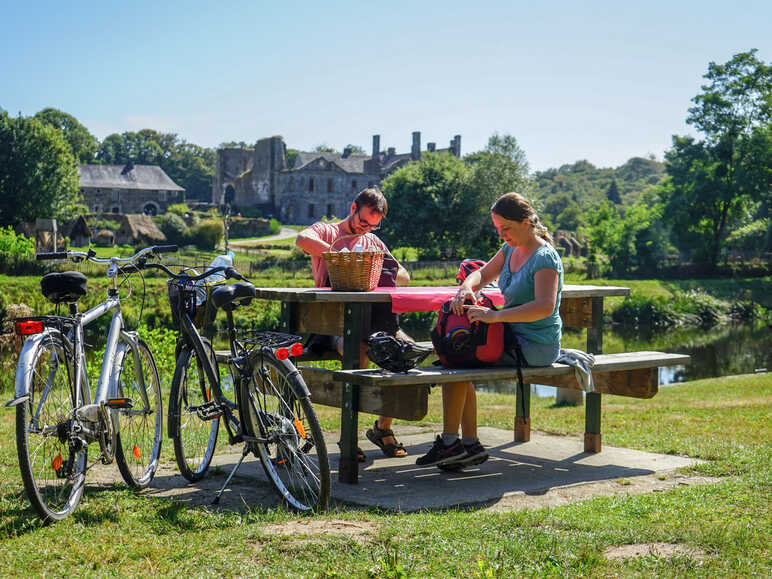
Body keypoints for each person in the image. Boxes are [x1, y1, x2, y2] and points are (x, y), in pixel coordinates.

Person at [416, 192, 564, 468]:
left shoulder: (545, 258)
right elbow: (483, 274)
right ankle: (467, 445)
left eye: (505, 228)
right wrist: (466, 288)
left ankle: (453, 444)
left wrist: (495, 317)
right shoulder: (510, 250)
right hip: (511, 337)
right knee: (458, 356)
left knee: (458, 362)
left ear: (527, 221)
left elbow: (544, 307)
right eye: (498, 229)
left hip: (535, 346)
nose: (502, 235)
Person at [296, 187, 411, 459]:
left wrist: (378, 271)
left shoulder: (372, 241)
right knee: (357, 353)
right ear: (352, 208)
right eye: (363, 222)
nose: (365, 229)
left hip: (372, 320)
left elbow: (403, 274)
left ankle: (383, 429)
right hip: (331, 321)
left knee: (404, 351)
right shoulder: (328, 231)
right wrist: (341, 257)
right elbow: (303, 239)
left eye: (373, 226)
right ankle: (349, 437)